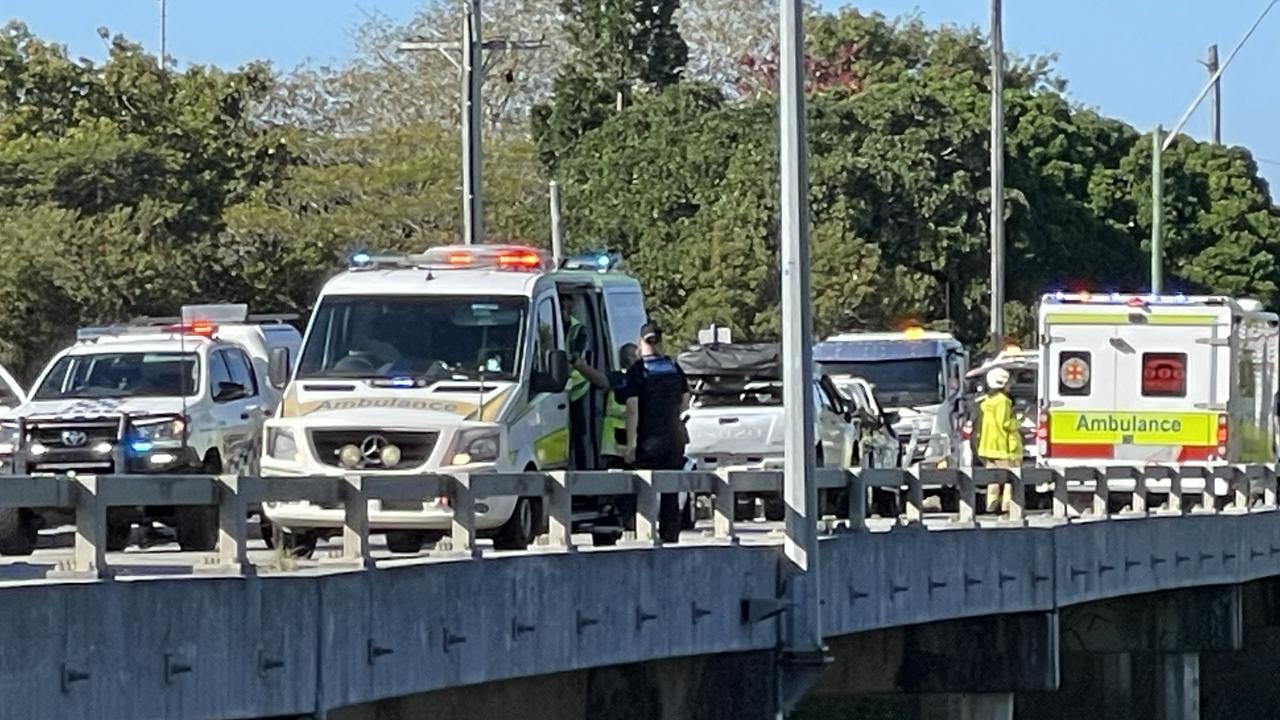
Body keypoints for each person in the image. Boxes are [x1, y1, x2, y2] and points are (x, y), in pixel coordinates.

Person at [617, 323, 689, 543]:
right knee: (670, 490)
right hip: (674, 439)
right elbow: (685, 401)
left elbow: (632, 410)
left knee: (643, 486)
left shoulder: (638, 371)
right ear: (660, 341)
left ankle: (646, 533)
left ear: (641, 341)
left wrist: (630, 445)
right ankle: (670, 535)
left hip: (649, 440)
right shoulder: (673, 367)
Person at [974, 367, 1024, 513]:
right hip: (1004, 446)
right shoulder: (1004, 401)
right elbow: (1005, 423)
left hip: (987, 446)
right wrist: (1018, 422)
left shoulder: (985, 401)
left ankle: (991, 503)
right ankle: (1007, 505)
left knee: (993, 477)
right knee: (1011, 477)